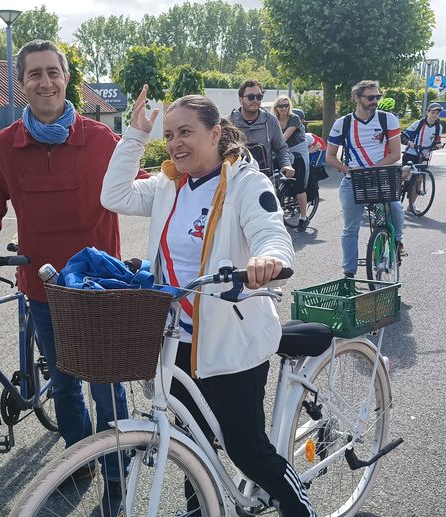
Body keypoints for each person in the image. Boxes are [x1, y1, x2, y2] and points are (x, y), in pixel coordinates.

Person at [101, 88, 313, 516]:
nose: (176, 142)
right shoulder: (167, 185)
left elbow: (271, 229)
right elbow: (114, 196)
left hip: (231, 339)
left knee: (245, 448)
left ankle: (298, 506)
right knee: (192, 443)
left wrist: (269, 258)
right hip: (177, 339)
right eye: (169, 134)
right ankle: (205, 508)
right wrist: (135, 137)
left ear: (216, 133)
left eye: (186, 132)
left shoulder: (245, 182)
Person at [0, 40, 130, 513]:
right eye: (35, 74)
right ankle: (79, 461)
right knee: (66, 384)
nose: (46, 82)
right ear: (22, 83)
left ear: (68, 78)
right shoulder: (7, 145)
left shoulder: (102, 140)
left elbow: (142, 189)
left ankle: (115, 473)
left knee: (106, 385)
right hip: (42, 289)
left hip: (99, 290)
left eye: (53, 72)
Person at [325, 80, 406, 278]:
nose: (375, 101)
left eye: (378, 97)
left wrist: (369, 170)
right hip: (353, 180)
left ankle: (397, 243)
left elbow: (396, 154)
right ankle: (349, 274)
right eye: (370, 98)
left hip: (380, 178)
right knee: (350, 229)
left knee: (395, 209)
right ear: (356, 98)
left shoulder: (388, 120)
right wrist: (348, 170)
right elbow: (329, 156)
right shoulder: (342, 123)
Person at [228, 80, 294, 177]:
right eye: (251, 97)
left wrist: (286, 164)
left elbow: (281, 148)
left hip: (264, 180)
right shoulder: (228, 122)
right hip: (236, 180)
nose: (255, 100)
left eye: (259, 97)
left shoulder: (271, 121)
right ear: (240, 100)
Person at [273, 96, 311, 232]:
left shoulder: (294, 118)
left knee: (299, 185)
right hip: (282, 151)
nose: (283, 108)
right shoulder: (273, 120)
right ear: (276, 108)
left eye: (286, 106)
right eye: (280, 106)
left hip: (297, 152)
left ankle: (303, 217)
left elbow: (284, 138)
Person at [401, 102, 445, 213]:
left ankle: (411, 205)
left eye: (437, 113)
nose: (435, 115)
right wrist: (408, 142)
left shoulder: (438, 127)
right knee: (404, 173)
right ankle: (394, 197)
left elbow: (437, 140)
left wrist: (438, 145)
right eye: (433, 112)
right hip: (411, 152)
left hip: (424, 155)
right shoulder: (418, 124)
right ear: (427, 113)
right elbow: (404, 135)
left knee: (419, 179)